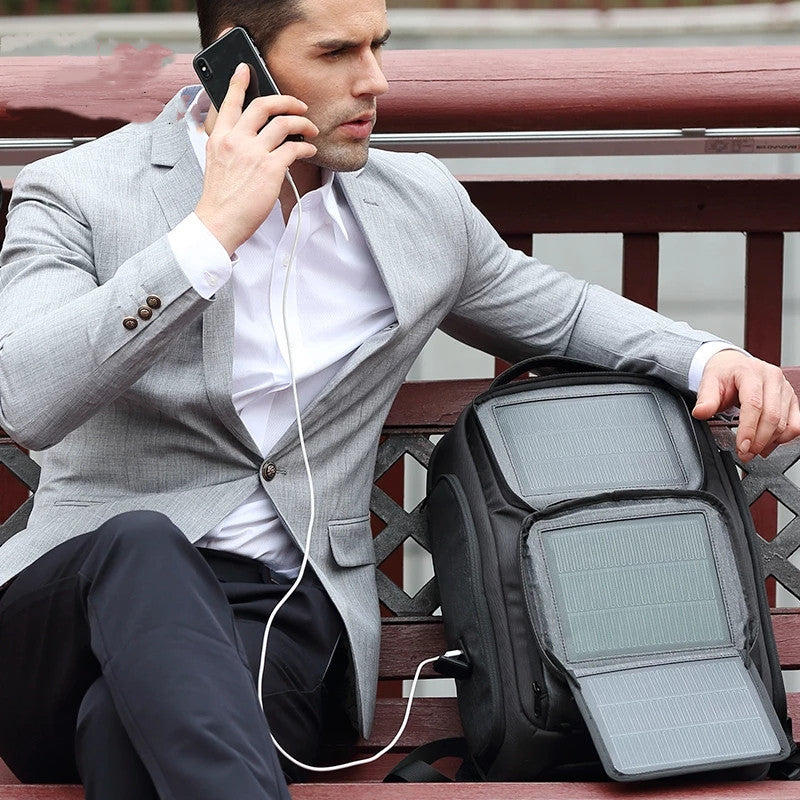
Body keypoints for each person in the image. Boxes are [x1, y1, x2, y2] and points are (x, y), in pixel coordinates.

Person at [0, 0, 797, 797]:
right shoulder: (77, 193)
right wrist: (206, 238)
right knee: (141, 546)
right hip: (68, 614)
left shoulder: (413, 207)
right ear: (235, 62)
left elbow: (565, 311)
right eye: (339, 51)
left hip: (273, 616)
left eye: (380, 45)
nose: (376, 80)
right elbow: (27, 396)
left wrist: (709, 354)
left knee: (121, 730)